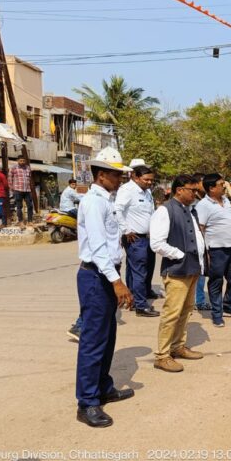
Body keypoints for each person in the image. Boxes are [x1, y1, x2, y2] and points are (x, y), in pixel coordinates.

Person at [75, 147, 135, 428]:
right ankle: (87, 403)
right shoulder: (93, 202)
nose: (120, 179)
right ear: (101, 175)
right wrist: (117, 281)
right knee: (93, 342)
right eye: (115, 175)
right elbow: (98, 248)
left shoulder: (107, 200)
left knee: (107, 337)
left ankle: (103, 388)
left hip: (107, 274)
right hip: (97, 276)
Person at [150, 174, 206, 373]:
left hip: (192, 269)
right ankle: (162, 355)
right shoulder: (165, 211)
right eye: (192, 191)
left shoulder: (190, 211)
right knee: (172, 313)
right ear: (180, 190)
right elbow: (156, 243)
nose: (195, 194)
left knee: (186, 310)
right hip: (176, 270)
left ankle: (178, 346)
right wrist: (179, 254)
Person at [196, 173, 231, 327]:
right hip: (216, 250)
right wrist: (205, 254)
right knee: (216, 281)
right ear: (211, 188)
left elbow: (230, 221)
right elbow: (200, 230)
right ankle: (217, 313)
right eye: (221, 184)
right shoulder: (203, 205)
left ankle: (229, 306)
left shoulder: (225, 200)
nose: (224, 186)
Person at [115, 165, 159, 317]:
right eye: (146, 180)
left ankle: (135, 298)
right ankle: (141, 305)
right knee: (139, 271)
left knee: (145, 270)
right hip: (135, 238)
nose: (149, 183)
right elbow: (117, 210)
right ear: (135, 177)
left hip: (148, 237)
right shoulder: (127, 190)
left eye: (151, 180)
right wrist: (125, 230)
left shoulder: (147, 192)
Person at [192, 173, 210, 311]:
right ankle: (195, 301)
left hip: (203, 240)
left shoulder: (204, 200)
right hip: (193, 240)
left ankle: (199, 300)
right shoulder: (193, 201)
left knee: (202, 271)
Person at [9, 157, 34, 227]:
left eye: (23, 160)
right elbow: (10, 178)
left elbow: (29, 178)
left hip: (27, 190)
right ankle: (20, 221)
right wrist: (12, 189)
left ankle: (30, 221)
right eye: (21, 160)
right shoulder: (13, 168)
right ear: (17, 161)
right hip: (18, 190)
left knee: (30, 206)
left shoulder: (28, 168)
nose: (22, 162)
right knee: (19, 206)